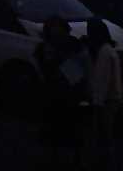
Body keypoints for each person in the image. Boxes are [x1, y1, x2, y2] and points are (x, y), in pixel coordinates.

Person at [34, 15, 90, 167]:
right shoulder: (45, 48)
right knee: (57, 130)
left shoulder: (73, 47)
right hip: (56, 95)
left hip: (68, 95)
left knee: (69, 130)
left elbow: (79, 72)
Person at [85, 18, 121, 168]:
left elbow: (102, 78)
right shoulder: (108, 50)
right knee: (105, 131)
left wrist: (97, 101)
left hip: (106, 98)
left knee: (103, 131)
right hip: (111, 97)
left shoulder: (103, 52)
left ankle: (104, 160)